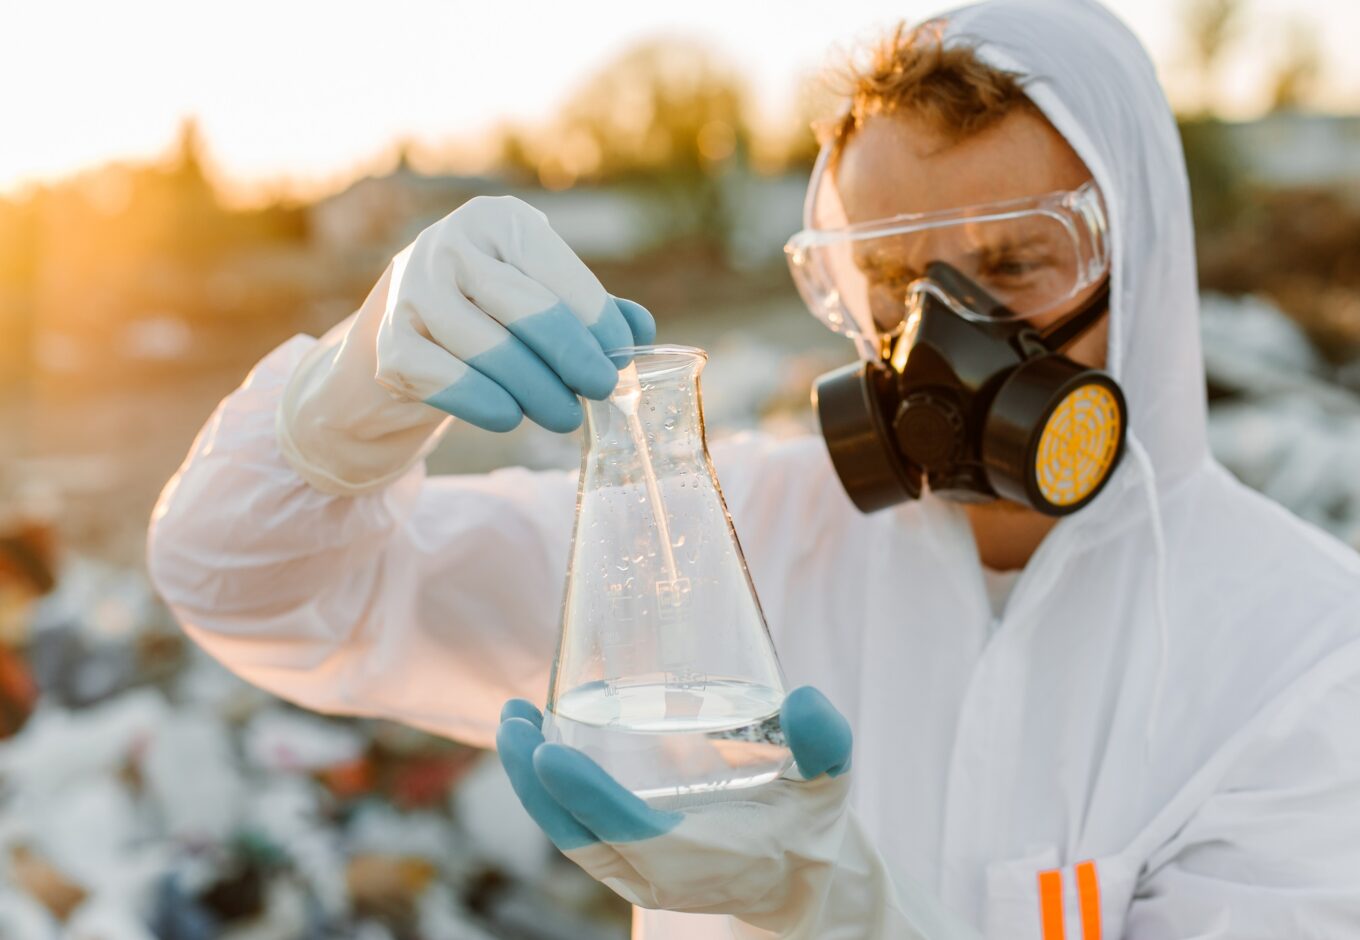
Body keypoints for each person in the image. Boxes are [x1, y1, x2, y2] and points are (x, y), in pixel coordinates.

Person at [147, 0, 1360, 937]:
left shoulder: (1304, 652)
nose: (942, 334)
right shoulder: (728, 538)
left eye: (1015, 264)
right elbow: (258, 590)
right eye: (889, 282)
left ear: (1140, 264)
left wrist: (833, 915)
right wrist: (347, 396)